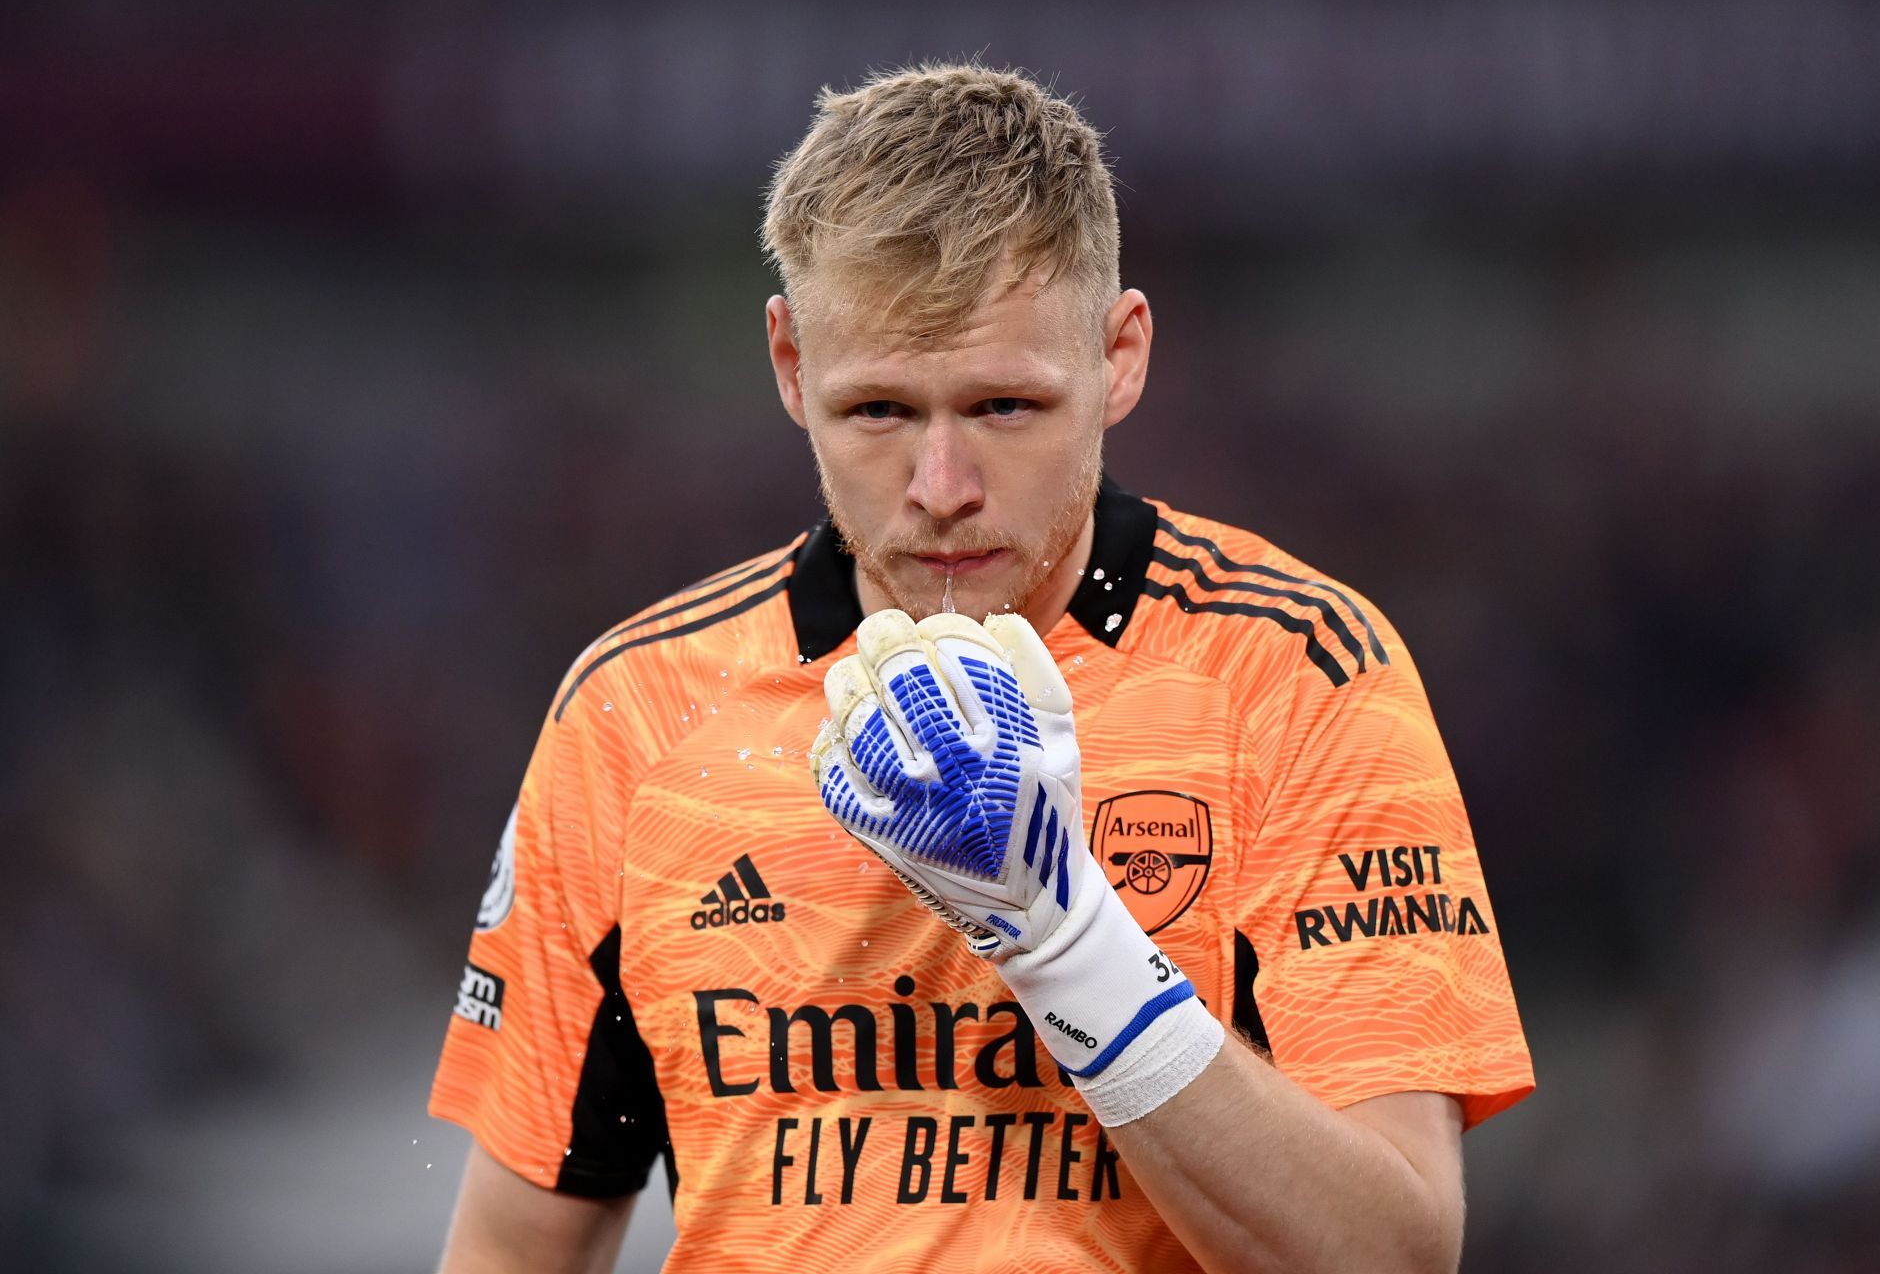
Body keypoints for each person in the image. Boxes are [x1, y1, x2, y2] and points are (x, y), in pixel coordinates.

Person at [429, 63, 1533, 1273]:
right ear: (791, 363)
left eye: (1005, 405)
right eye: (879, 412)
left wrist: (1064, 938)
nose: (941, 489)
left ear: (1120, 355)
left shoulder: (1298, 678)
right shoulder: (636, 715)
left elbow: (1395, 1254)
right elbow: (506, 1250)